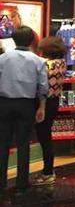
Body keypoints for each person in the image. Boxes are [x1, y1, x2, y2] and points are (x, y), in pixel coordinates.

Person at [0, 26, 48, 193]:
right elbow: (43, 87)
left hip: (4, 103)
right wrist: (42, 106)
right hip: (26, 105)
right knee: (23, 143)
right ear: (31, 40)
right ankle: (22, 182)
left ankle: (1, 181)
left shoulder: (2, 59)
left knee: (3, 142)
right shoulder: (38, 61)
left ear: (13, 39)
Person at [31, 36, 67, 186]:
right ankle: (48, 170)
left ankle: (48, 173)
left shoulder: (45, 64)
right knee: (46, 136)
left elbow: (41, 86)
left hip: (44, 103)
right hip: (54, 101)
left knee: (44, 137)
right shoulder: (62, 63)